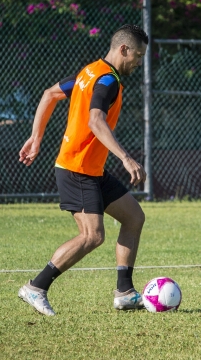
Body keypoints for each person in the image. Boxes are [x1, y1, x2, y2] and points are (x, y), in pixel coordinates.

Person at [17, 24, 149, 315]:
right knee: (92, 235)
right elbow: (95, 121)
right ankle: (36, 287)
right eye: (138, 56)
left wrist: (36, 138)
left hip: (91, 169)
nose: (139, 62)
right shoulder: (107, 80)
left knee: (133, 217)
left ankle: (125, 293)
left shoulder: (89, 72)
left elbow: (50, 94)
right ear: (123, 49)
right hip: (77, 169)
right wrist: (126, 158)